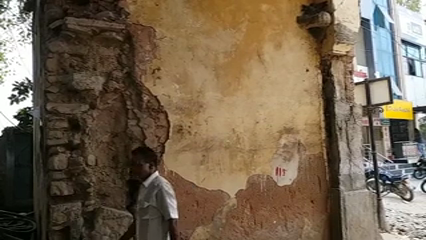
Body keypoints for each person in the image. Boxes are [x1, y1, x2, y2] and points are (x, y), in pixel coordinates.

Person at [120, 147, 179, 240]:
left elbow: (172, 220)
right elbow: (139, 221)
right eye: (132, 165)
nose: (133, 169)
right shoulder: (144, 188)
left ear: (151, 166)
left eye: (138, 165)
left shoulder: (161, 186)